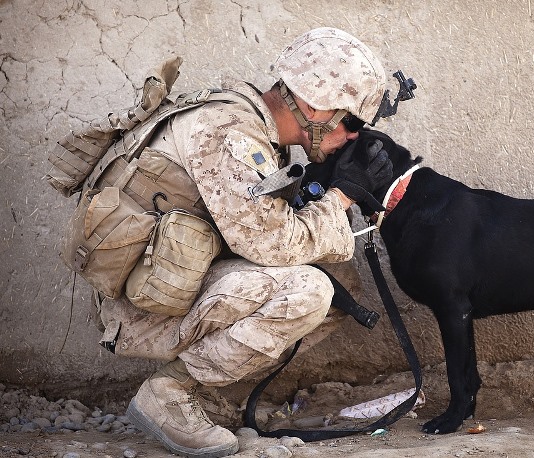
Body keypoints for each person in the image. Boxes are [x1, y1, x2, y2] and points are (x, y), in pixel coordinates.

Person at [96, 28, 398, 457]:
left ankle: (200, 385)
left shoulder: (251, 127)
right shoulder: (229, 134)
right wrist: (341, 196)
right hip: (139, 309)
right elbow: (272, 244)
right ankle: (170, 394)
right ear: (312, 105)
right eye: (350, 123)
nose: (353, 136)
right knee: (311, 291)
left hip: (168, 283)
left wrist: (322, 189)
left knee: (340, 285)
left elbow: (261, 227)